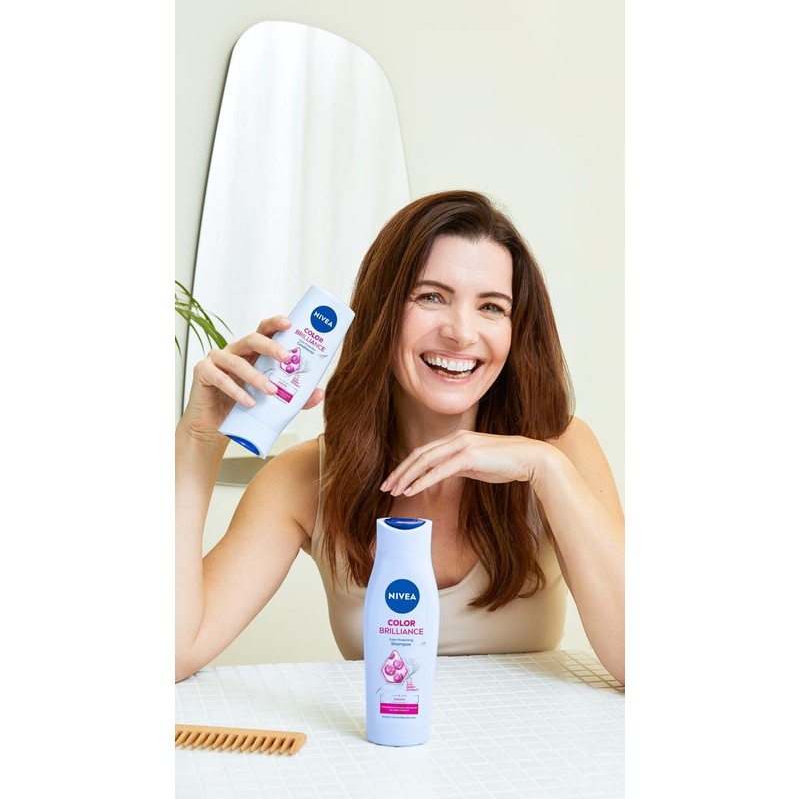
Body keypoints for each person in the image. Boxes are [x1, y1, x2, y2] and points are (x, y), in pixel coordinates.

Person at [175, 190, 625, 684]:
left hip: (524, 737)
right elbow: (174, 651)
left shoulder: (562, 450)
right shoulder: (304, 480)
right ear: (383, 313)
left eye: (492, 307)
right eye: (431, 297)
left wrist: (546, 469)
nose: (461, 332)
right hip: (377, 734)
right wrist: (199, 439)